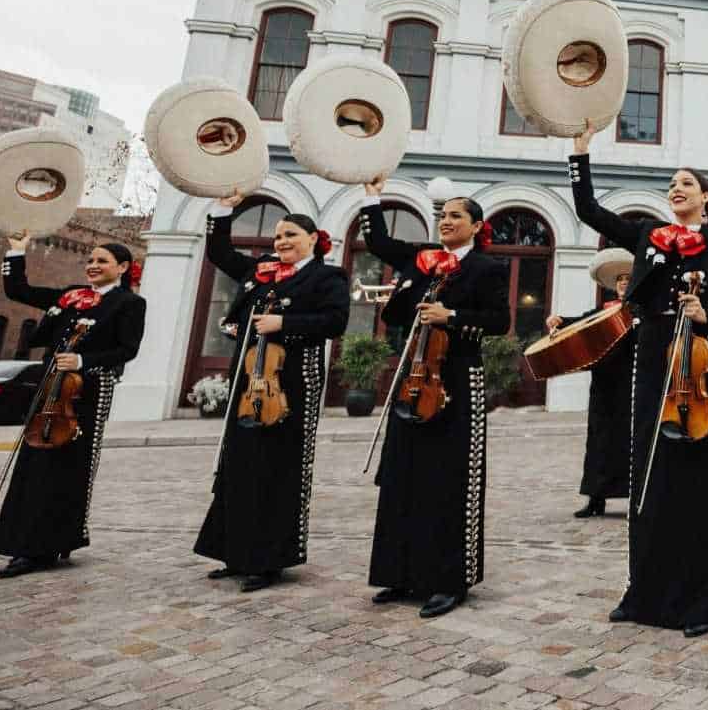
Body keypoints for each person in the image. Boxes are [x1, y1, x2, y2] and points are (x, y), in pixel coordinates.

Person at [568, 119, 708, 638]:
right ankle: (642, 591)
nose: (676, 187)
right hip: (650, 362)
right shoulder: (648, 236)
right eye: (672, 182)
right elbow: (589, 210)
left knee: (698, 480)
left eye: (687, 182)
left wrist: (705, 317)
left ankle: (705, 599)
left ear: (706, 198)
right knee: (648, 476)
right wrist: (580, 150)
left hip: (697, 365)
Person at [359, 177, 510, 617]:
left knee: (449, 480)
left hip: (459, 377)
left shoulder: (487, 268)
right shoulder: (423, 260)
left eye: (455, 217)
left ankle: (449, 580)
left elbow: (499, 320)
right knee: (403, 474)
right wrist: (372, 196)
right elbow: (379, 241)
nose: (446, 222)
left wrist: (453, 315)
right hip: (416, 375)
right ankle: (399, 572)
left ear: (476, 225)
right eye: (443, 217)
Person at [192, 193, 349, 593]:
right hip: (249, 380)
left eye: (290, 235)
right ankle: (234, 551)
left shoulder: (327, 277)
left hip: (293, 381)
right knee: (239, 465)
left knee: (277, 468)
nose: (280, 242)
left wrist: (284, 322)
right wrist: (224, 210)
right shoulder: (260, 271)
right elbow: (219, 252)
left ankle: (268, 560)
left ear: (314, 239)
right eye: (277, 236)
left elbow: (334, 322)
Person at [0, 235, 145, 577]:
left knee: (69, 465)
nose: (93, 265)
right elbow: (19, 290)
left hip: (86, 390)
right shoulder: (73, 296)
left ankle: (56, 539)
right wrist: (17, 249)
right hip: (50, 386)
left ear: (122, 268)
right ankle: (27, 543)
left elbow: (127, 349)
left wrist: (81, 359)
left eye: (102, 261)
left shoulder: (129, 304)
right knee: (36, 460)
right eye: (90, 260)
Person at [544, 248, 635, 519]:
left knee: (630, 442)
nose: (623, 283)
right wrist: (560, 321)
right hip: (604, 385)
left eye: (628, 279)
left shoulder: (642, 311)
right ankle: (596, 499)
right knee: (598, 442)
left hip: (632, 383)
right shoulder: (602, 310)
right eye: (619, 280)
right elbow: (580, 324)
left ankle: (634, 501)